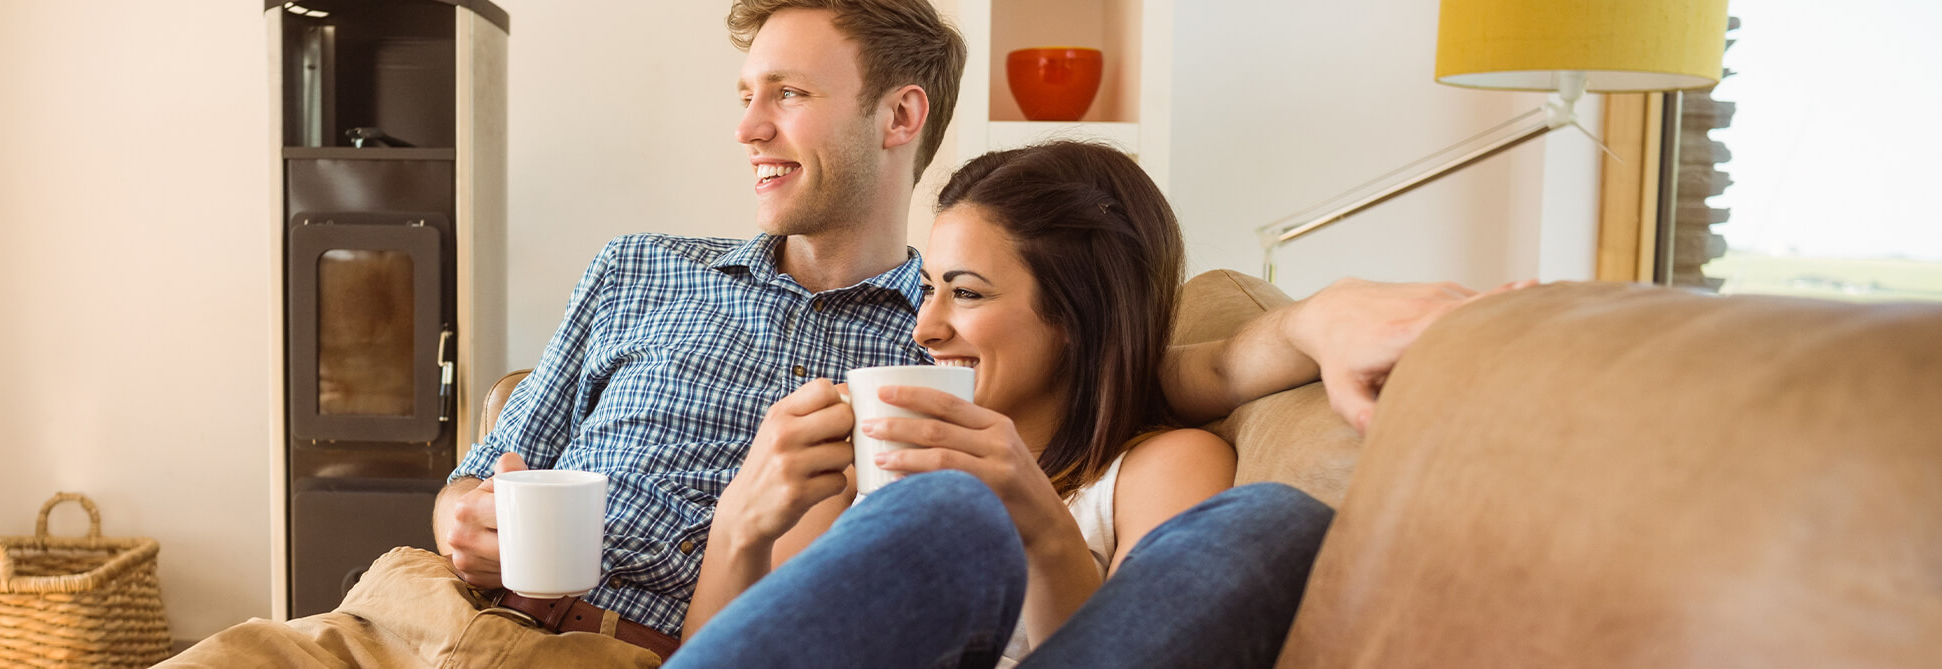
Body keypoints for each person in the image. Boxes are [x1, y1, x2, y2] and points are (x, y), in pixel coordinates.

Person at [163, 0, 1503, 666]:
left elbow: (1155, 361)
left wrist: (1315, 318)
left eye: (787, 94)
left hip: (610, 652)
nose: (747, 126)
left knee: (1237, 528)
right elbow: (490, 468)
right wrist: (471, 515)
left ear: (899, 116)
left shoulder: (898, 384)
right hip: (416, 614)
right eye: (744, 93)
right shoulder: (640, 268)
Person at [677, 140, 1344, 669]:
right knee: (948, 511)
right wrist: (740, 522)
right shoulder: (866, 453)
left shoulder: (1158, 468)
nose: (925, 327)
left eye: (964, 293)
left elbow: (1139, 646)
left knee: (1278, 520)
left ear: (1074, 316)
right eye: (929, 288)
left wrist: (1041, 526)